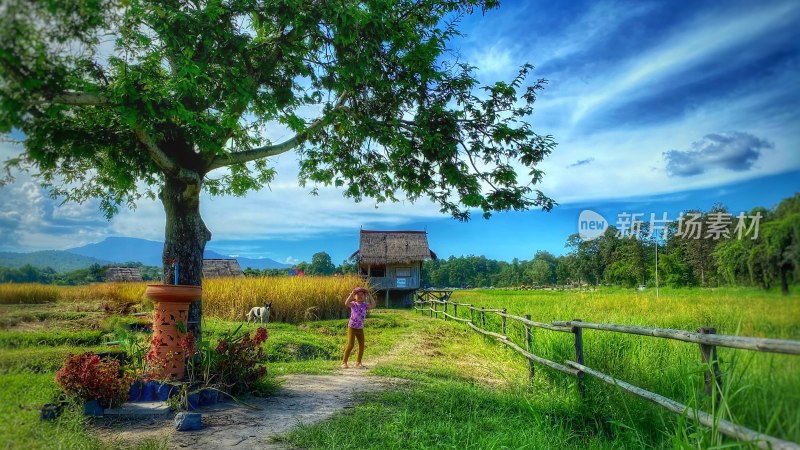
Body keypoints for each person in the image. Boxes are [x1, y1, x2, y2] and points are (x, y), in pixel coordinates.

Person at [342, 286, 375, 369]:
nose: (360, 296)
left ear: (364, 296)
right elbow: (346, 303)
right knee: (350, 345)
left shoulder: (365, 305)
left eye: (362, 294)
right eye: (358, 294)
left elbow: (373, 305)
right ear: (355, 296)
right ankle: (344, 362)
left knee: (361, 345)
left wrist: (369, 294)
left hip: (360, 328)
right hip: (352, 327)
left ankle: (358, 362)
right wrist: (351, 294)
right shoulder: (353, 304)